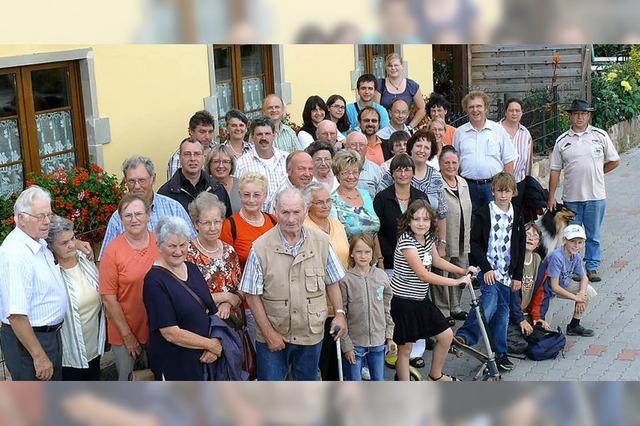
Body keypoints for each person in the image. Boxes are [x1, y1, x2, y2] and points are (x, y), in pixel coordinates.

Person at [239, 188, 348, 381]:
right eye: (285, 212)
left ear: (305, 211)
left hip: (311, 334)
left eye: (296, 212)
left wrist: (339, 314)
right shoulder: (260, 247)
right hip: (274, 335)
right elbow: (252, 296)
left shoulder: (322, 241)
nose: (291, 219)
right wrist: (269, 334)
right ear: (275, 211)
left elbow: (332, 282)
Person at [391, 200, 474, 381]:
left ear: (431, 222)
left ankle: (435, 375)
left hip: (420, 299)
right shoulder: (407, 243)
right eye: (417, 219)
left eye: (426, 220)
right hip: (403, 302)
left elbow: (435, 261)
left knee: (446, 336)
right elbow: (424, 275)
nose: (421, 223)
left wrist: (462, 271)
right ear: (409, 221)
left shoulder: (427, 238)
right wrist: (456, 282)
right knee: (406, 349)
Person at [455, 172, 526, 373]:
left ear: (513, 192)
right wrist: (486, 268)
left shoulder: (517, 214)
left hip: (506, 272)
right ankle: (466, 335)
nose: (503, 196)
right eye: (499, 191)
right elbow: (474, 243)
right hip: (487, 270)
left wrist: (518, 275)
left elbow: (520, 246)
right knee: (491, 299)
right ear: (492, 191)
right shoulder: (484, 212)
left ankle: (499, 353)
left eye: (507, 191)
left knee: (503, 313)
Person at [548, 99, 620, 283]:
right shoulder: (562, 141)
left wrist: (598, 173)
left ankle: (592, 266)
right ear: (571, 116)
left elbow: (614, 160)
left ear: (588, 115)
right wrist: (551, 196)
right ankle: (573, 266)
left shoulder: (600, 135)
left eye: (583, 114)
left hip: (596, 196)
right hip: (571, 197)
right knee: (572, 233)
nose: (580, 117)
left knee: (593, 233)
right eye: (576, 114)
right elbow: (555, 170)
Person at [143, 216, 223, 380]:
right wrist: (211, 345)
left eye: (183, 245)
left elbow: (211, 311)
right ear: (158, 245)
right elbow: (170, 332)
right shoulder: (154, 281)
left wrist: (215, 341)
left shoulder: (192, 268)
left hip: (205, 360)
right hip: (176, 364)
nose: (178, 251)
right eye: (172, 246)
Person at [0, 186, 66, 381]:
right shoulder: (14, 255)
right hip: (30, 343)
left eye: (49, 214)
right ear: (21, 218)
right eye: (40, 216)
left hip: (47, 337)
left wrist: (77, 244)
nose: (47, 222)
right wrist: (39, 356)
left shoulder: (36, 239)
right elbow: (16, 315)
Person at [99, 193, 159, 380]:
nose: (134, 220)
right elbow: (109, 298)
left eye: (139, 214)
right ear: (121, 219)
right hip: (125, 331)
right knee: (128, 381)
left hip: (157, 328)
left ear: (148, 215)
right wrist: (128, 336)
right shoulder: (113, 251)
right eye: (128, 215)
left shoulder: (160, 242)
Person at [99, 156, 195, 260]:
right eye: (131, 181)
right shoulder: (118, 217)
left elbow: (193, 246)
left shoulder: (174, 208)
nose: (136, 186)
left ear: (153, 179)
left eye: (141, 180)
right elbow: (105, 258)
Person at [46, 215, 106, 381]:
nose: (71, 245)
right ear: (50, 246)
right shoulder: (51, 273)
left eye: (72, 238)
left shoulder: (85, 258)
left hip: (94, 348)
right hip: (69, 355)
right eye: (64, 243)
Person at [220, 173, 277, 342]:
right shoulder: (230, 226)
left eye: (257, 195)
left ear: (265, 195)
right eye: (246, 195)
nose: (251, 200)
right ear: (239, 195)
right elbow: (225, 270)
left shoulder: (273, 222)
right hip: (248, 303)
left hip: (276, 301)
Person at [303, 182, 350, 381]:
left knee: (336, 354)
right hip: (316, 300)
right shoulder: (304, 226)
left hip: (339, 297)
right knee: (318, 357)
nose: (325, 205)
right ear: (308, 205)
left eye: (328, 201)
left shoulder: (336, 223)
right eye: (319, 202)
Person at [339, 234, 395, 381]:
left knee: (379, 381)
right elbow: (341, 314)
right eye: (358, 251)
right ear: (351, 253)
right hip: (355, 343)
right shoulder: (346, 280)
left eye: (367, 252)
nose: (363, 256)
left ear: (373, 253)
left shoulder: (381, 276)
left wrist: (389, 336)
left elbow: (386, 307)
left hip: (378, 341)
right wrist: (346, 345)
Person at [528, 224, 598, 337]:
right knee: (543, 327)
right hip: (547, 290)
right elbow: (554, 286)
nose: (576, 245)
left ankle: (574, 325)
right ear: (564, 240)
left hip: (563, 285)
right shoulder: (556, 256)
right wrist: (576, 298)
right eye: (573, 241)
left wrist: (581, 295)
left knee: (587, 291)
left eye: (580, 242)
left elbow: (584, 277)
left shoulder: (575, 256)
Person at [453, 91, 516, 215]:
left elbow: (508, 161)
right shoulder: (459, 133)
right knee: (471, 224)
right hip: (467, 186)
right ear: (466, 110)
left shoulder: (498, 131)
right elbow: (455, 162)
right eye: (471, 107)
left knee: (494, 222)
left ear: (486, 108)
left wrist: (508, 189)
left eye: (479, 106)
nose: (475, 110)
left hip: (493, 187)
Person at [187, 192, 242, 320]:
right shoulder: (187, 253)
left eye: (217, 221)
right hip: (199, 324)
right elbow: (186, 295)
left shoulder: (229, 251)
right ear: (196, 224)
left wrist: (227, 304)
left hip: (231, 325)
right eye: (206, 223)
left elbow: (239, 291)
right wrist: (225, 296)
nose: (213, 228)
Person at [433, 146, 472, 324]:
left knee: (460, 271)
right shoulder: (436, 183)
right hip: (445, 238)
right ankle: (443, 310)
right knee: (443, 274)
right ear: (440, 164)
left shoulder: (463, 183)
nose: (450, 166)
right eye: (446, 162)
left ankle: (455, 306)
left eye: (454, 162)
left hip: (463, 237)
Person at [374, 154, 428, 272]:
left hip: (418, 260)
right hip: (390, 261)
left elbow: (428, 231)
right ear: (392, 173)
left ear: (413, 173)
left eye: (407, 170)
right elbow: (377, 232)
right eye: (398, 170)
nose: (403, 174)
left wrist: (427, 261)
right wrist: (381, 260)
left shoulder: (421, 197)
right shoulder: (381, 198)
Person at [159, 137, 232, 215]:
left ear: (203, 157)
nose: (192, 158)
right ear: (180, 158)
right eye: (187, 154)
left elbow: (227, 223)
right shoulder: (166, 193)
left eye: (197, 154)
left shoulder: (217, 189)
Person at [407, 129, 448, 254]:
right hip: (403, 243)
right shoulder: (399, 172)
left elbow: (442, 213)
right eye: (418, 146)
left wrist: (442, 243)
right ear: (411, 147)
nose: (422, 150)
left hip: (430, 245)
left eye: (426, 147)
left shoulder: (436, 176)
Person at [234, 117, 288, 210]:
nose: (264, 138)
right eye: (259, 134)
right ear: (253, 137)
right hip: (256, 219)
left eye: (267, 134)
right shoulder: (241, 164)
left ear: (274, 136)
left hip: (286, 218)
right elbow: (238, 196)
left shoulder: (286, 159)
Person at [331, 149, 381, 240]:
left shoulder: (365, 194)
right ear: (337, 175)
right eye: (345, 172)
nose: (351, 177)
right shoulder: (332, 200)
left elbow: (375, 231)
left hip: (370, 251)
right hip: (347, 252)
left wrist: (379, 254)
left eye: (355, 172)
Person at [509, 222, 544, 336]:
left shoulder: (537, 259)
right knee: (518, 343)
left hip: (525, 311)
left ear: (538, 244)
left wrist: (537, 316)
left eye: (535, 237)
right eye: (527, 235)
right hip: (511, 312)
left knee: (540, 336)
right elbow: (512, 293)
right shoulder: (513, 259)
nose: (530, 239)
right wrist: (520, 319)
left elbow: (541, 290)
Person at [374, 53, 426, 128]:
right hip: (384, 129)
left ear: (402, 66)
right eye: (390, 65)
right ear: (386, 68)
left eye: (396, 65)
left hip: (405, 131)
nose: (393, 68)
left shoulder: (411, 85)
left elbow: (422, 108)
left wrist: (410, 127)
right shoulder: (380, 85)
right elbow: (375, 110)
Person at [500, 98, 533, 203]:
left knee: (516, 215)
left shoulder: (525, 133)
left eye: (517, 110)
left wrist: (529, 182)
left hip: (519, 182)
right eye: (511, 110)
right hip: (497, 183)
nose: (514, 113)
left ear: (522, 112)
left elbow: (528, 161)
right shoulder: (495, 130)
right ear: (505, 112)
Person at [167, 110, 215, 180]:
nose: (207, 136)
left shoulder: (217, 150)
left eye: (210, 132)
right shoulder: (177, 158)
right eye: (202, 132)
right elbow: (173, 188)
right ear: (191, 131)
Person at [343, 131, 384, 199]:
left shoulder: (376, 170)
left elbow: (381, 197)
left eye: (361, 145)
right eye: (353, 145)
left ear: (366, 147)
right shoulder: (338, 168)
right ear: (346, 147)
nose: (358, 149)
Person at [205, 144, 241, 213]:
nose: (221, 166)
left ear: (231, 164)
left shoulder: (241, 186)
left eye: (225, 161)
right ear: (209, 164)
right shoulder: (204, 186)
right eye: (216, 161)